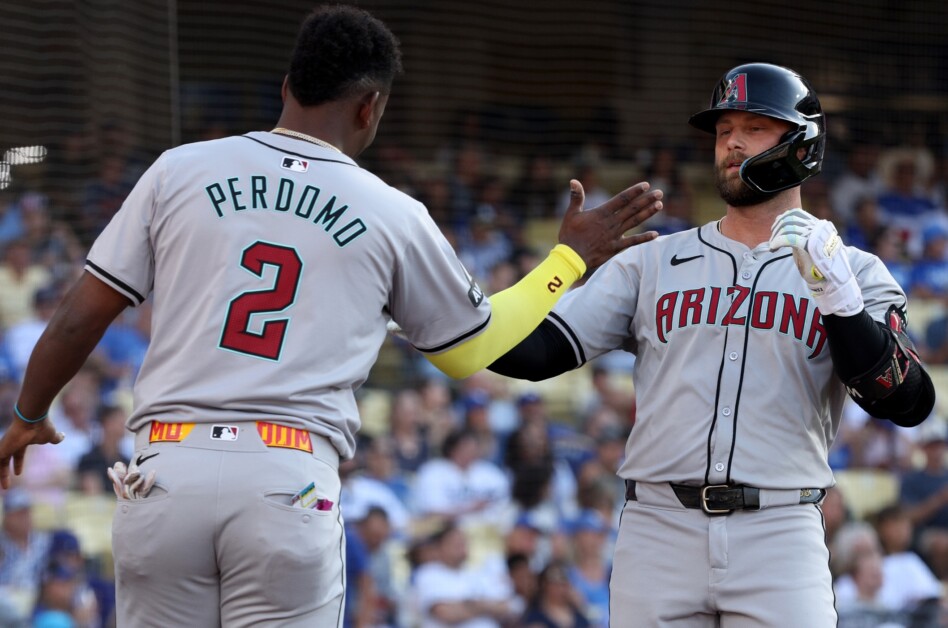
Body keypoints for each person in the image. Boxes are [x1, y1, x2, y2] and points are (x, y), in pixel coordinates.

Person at [0, 6, 664, 627]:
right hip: (286, 476)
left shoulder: (180, 170)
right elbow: (470, 351)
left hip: (167, 467)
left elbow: (74, 320)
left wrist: (28, 416)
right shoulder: (392, 212)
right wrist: (568, 260)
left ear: (288, 85)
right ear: (371, 106)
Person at [489, 62, 936, 625]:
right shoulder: (650, 261)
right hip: (658, 531)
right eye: (724, 130)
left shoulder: (855, 271)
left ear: (803, 144)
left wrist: (840, 302)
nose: (732, 142)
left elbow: (907, 401)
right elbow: (532, 354)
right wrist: (547, 270)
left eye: (754, 126)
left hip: (780, 531)